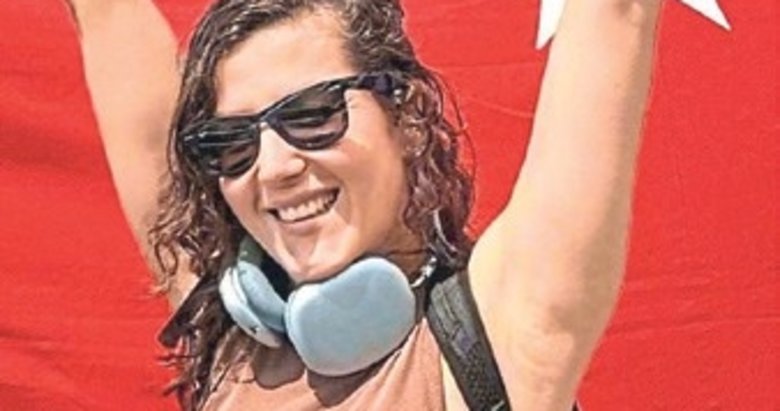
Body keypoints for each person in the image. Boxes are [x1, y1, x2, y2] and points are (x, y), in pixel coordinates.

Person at [64, 0, 661, 409]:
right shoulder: (227, 335)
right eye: (232, 143)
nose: (273, 166)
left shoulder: (502, 333)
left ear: (408, 118)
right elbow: (107, 16)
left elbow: (617, 14)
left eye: (313, 114)